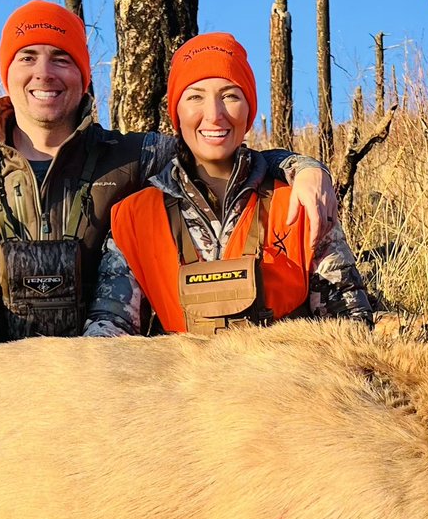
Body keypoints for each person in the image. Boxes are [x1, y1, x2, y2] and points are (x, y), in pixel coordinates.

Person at [0, 1, 337, 356]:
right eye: (28, 57)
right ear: (8, 73)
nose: (44, 72)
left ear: (84, 77)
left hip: (98, 377)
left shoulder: (135, 157)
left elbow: (219, 150)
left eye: (62, 59)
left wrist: (302, 167)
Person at [86, 32, 372, 336]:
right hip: (180, 381)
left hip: (288, 379)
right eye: (195, 96)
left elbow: (350, 329)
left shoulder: (299, 203)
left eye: (230, 96)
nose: (214, 114)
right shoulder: (134, 217)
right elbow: (108, 335)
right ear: (176, 112)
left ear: (249, 110)